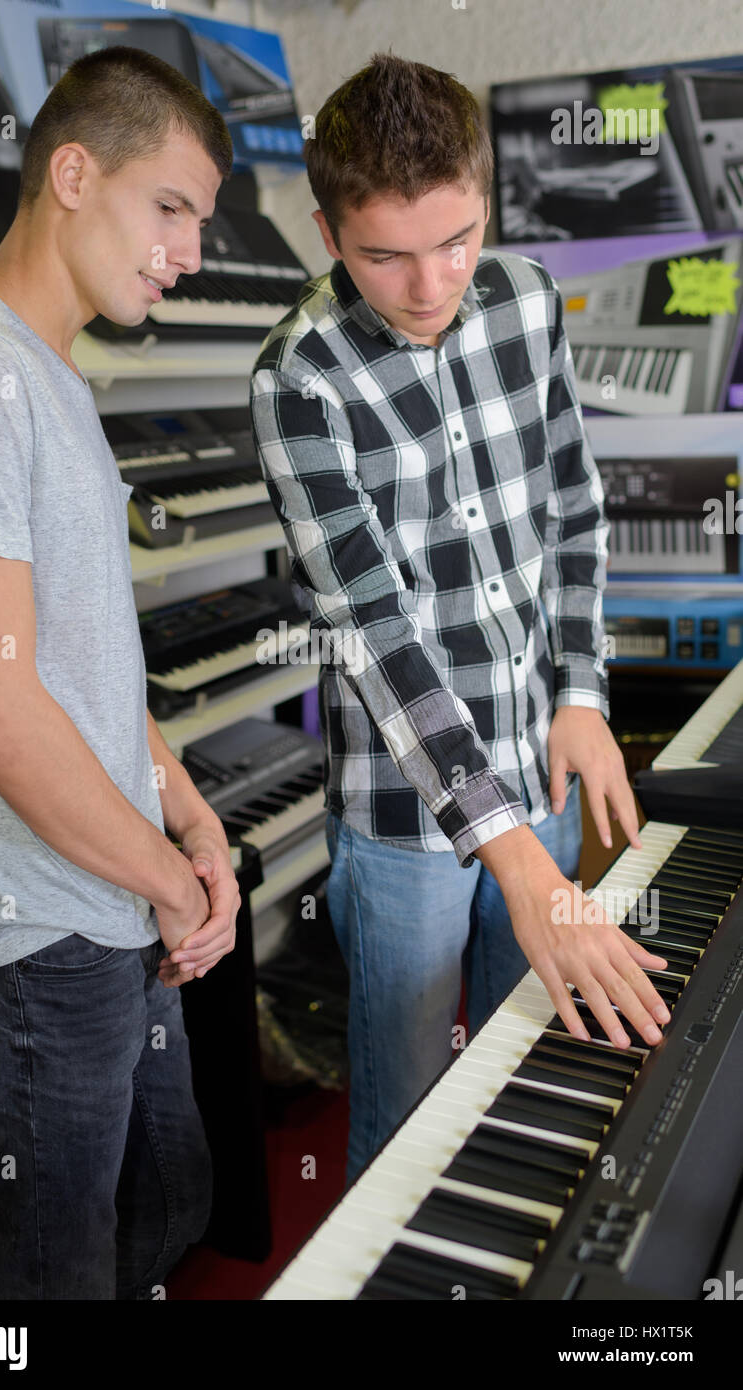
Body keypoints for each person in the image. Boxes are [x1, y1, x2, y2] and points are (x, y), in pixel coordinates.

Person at [249, 52, 670, 1184]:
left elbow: (574, 504)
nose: (432, 284)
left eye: (457, 239)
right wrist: (519, 857)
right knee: (410, 1117)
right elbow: (374, 633)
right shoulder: (299, 380)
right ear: (330, 231)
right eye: (385, 254)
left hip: (536, 752)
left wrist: (580, 693)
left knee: (520, 1067)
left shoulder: (526, 300)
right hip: (402, 817)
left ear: (489, 202)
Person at [0, 47, 241, 1299]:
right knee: (58, 1279)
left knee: (162, 1209)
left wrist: (186, 817)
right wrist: (169, 883)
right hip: (30, 935)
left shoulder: (50, 371)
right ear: (73, 173)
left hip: (106, 900)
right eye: (172, 209)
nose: (189, 252)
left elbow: (79, 665)